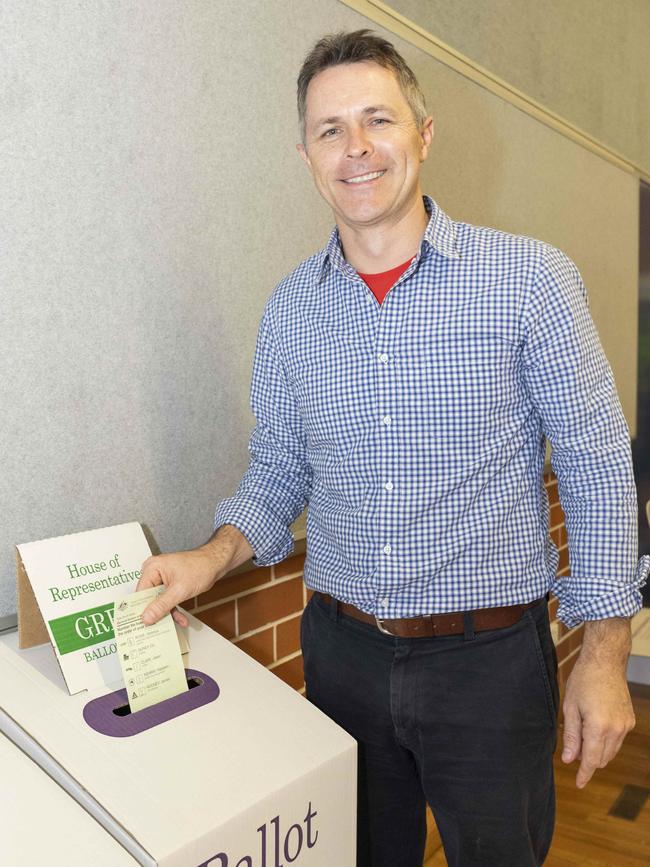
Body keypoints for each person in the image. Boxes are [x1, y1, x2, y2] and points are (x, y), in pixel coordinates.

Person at [138, 29, 649, 867]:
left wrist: (602, 648)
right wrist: (211, 555)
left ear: (424, 132)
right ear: (306, 155)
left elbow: (597, 465)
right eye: (331, 129)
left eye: (378, 118)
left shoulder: (528, 281)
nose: (357, 148)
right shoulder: (291, 312)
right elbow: (278, 470)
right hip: (342, 661)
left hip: (489, 668)